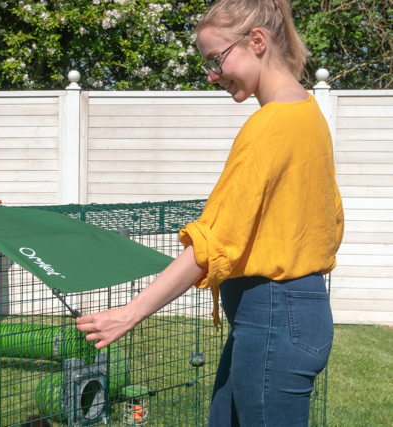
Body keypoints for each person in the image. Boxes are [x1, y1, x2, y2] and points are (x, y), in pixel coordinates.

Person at [75, 0, 344, 425]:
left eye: (216, 60)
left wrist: (128, 314)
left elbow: (212, 243)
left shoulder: (272, 125)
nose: (211, 75)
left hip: (273, 316)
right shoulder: (308, 113)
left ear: (257, 41)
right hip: (289, 314)